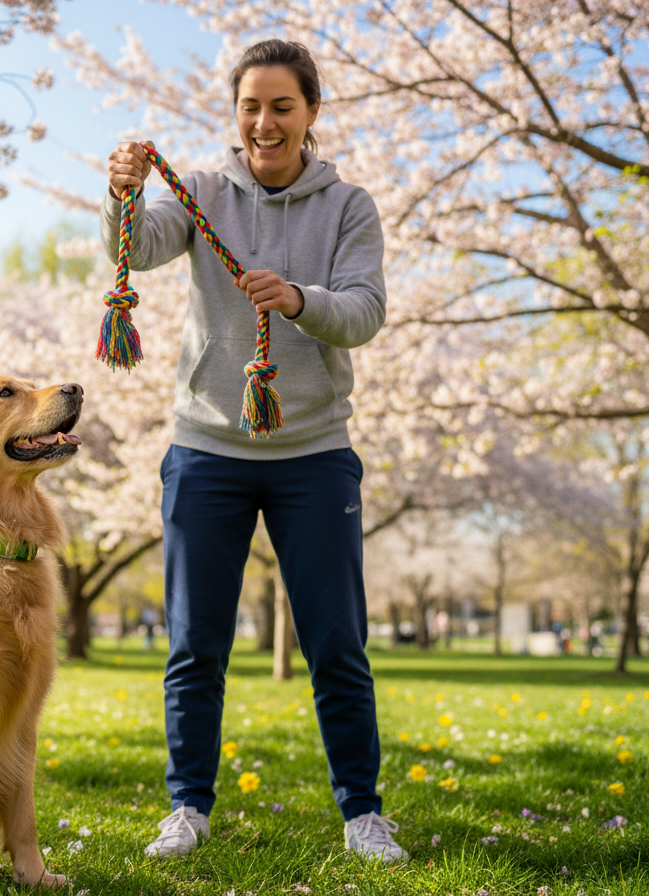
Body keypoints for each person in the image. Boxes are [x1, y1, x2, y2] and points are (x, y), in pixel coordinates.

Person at [101, 39, 406, 863]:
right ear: (235, 114)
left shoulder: (348, 206)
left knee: (336, 642)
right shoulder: (201, 193)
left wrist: (302, 299)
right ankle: (188, 808)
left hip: (313, 452)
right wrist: (122, 193)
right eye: (250, 106)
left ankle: (362, 814)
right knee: (195, 644)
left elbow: (366, 312)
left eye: (282, 106)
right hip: (205, 447)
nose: (264, 122)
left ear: (311, 113)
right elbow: (135, 249)